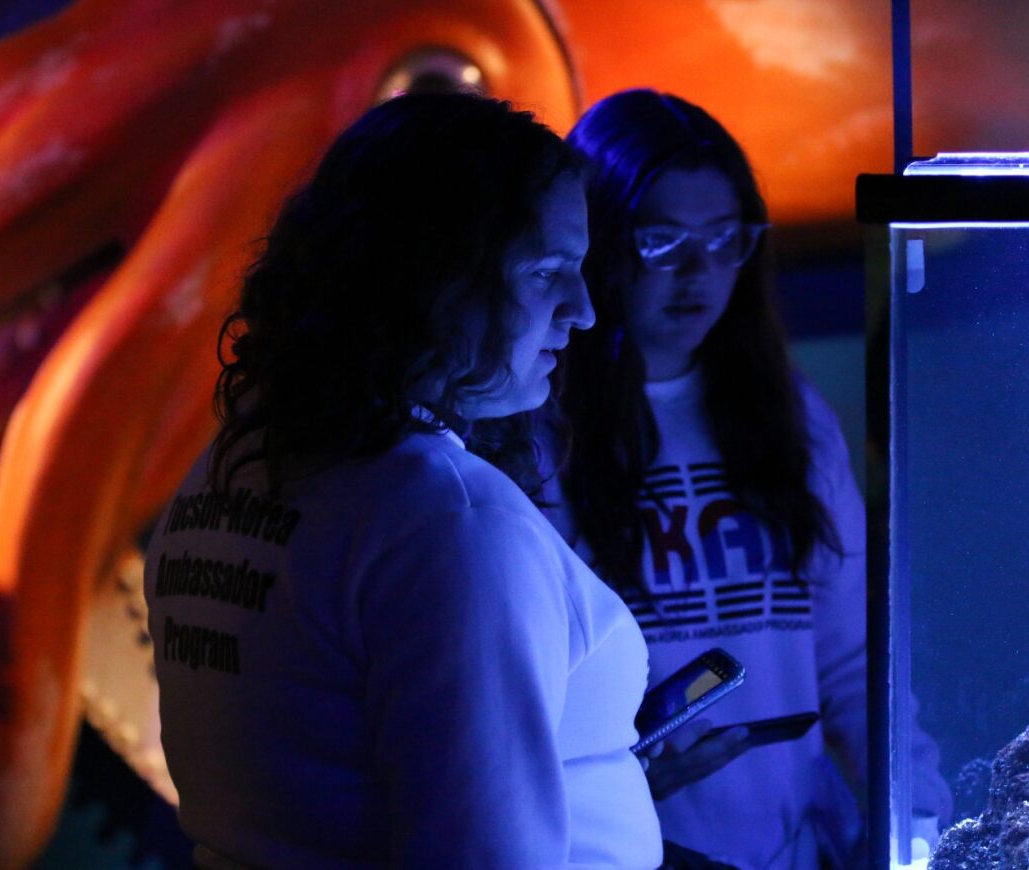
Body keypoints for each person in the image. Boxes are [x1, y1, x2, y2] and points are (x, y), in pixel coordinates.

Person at [143, 92, 663, 868]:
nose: (583, 311)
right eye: (549, 271)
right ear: (438, 273)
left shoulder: (236, 464)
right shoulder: (449, 524)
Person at [546, 89, 952, 867]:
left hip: (796, 844)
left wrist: (913, 814)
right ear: (595, 241)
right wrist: (612, 776)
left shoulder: (787, 415)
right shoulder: (541, 427)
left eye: (726, 238)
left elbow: (852, 657)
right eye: (662, 240)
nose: (699, 271)